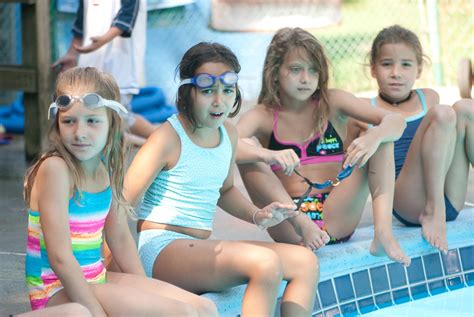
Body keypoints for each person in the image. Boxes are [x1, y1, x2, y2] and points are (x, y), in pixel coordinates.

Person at [125, 42, 319, 317]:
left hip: (198, 248)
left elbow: (226, 190)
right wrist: (119, 265)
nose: (219, 101)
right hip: (161, 248)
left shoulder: (227, 134)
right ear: (187, 93)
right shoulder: (166, 138)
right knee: (264, 263)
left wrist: (257, 215)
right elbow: (122, 203)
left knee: (305, 262)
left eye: (227, 91)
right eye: (207, 92)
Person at [23, 67, 216, 316]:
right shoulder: (56, 169)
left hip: (96, 278)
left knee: (204, 308)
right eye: (68, 121)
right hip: (55, 290)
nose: (80, 132)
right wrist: (96, 311)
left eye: (92, 121)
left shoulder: (104, 168)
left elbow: (120, 239)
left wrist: (145, 293)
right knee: (182, 314)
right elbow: (60, 257)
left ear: (112, 122)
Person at [236, 27, 411, 266]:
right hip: (290, 222)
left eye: (313, 69)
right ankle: (302, 222)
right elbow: (225, 146)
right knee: (246, 152)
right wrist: (267, 154)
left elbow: (396, 121)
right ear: (275, 72)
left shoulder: (333, 103)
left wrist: (374, 136)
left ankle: (383, 235)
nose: (306, 78)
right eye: (296, 69)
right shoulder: (263, 116)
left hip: (337, 214)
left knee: (381, 139)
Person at [354, 25, 473, 253]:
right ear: (373, 68)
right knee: (442, 113)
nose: (396, 73)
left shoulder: (428, 97)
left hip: (448, 195)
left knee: (466, 108)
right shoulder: (364, 109)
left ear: (419, 70)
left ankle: (436, 206)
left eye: (406, 64)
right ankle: (433, 209)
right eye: (387, 64)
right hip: (407, 201)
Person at [53, 0, 156, 146]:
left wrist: (103, 40)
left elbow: (126, 18)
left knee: (114, 117)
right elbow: (80, 23)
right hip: (92, 61)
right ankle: (158, 140)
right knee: (116, 116)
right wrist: (72, 53)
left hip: (120, 62)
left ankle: (153, 144)